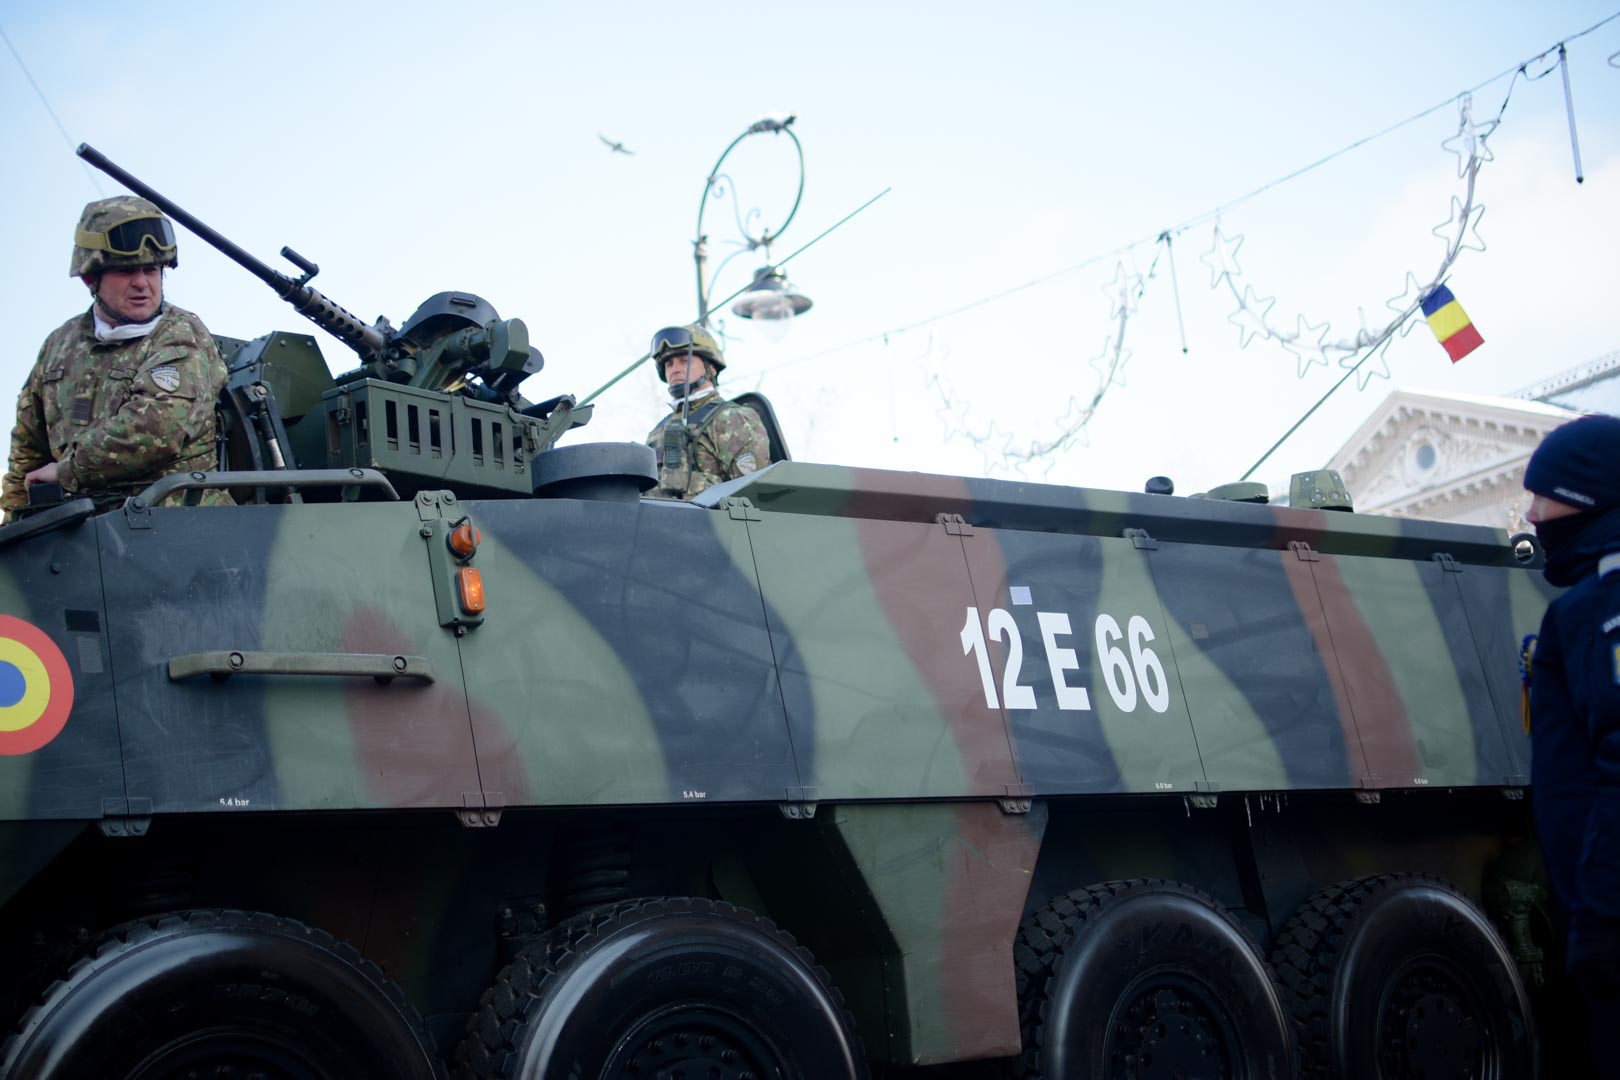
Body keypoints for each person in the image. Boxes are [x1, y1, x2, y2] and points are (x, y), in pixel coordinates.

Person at [2, 196, 231, 521]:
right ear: (90, 279)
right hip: (85, 533)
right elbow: (28, 448)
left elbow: (156, 430)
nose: (142, 284)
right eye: (126, 272)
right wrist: (15, 524)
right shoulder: (60, 345)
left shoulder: (181, 333)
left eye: (151, 270)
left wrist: (68, 471)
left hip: (180, 526)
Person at [1523, 412, 1620, 1069]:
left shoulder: (1601, 608)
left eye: (1544, 495)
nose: (1532, 515)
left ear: (1588, 496)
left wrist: (1603, 919)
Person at [644, 324, 770, 500]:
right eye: (669, 364)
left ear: (711, 367)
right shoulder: (657, 432)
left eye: (684, 361)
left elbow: (753, 494)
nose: (675, 369)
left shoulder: (732, 418)